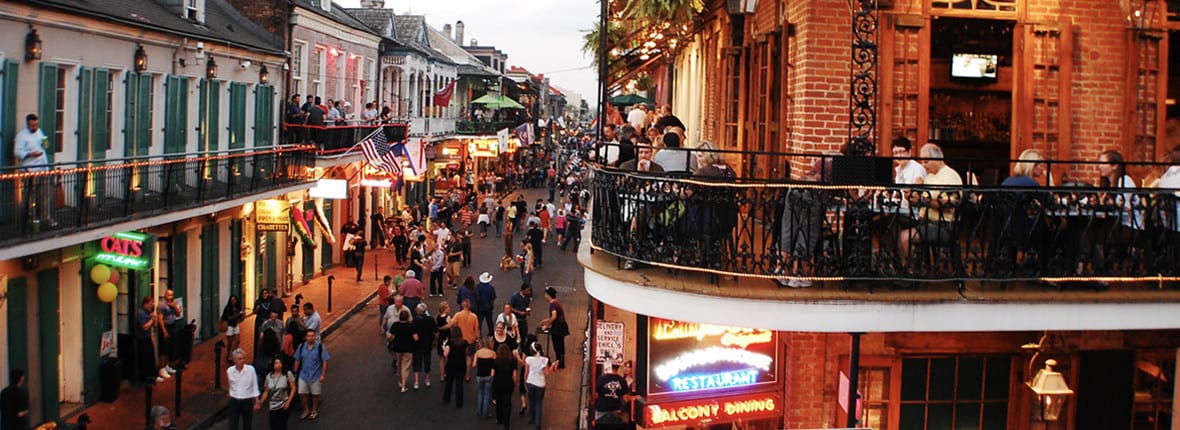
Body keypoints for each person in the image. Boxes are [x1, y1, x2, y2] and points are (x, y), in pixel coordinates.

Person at [899, 143, 963, 262]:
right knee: (890, 225)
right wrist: (912, 195)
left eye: (926, 161)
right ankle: (914, 264)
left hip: (942, 226)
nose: (923, 165)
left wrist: (922, 200)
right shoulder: (931, 176)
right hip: (925, 221)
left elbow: (947, 205)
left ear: (937, 158)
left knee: (904, 237)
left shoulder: (950, 176)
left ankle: (909, 272)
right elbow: (922, 199)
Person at [14, 113, 54, 227]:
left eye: (36, 125)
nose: (35, 128)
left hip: (43, 168)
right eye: (32, 126)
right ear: (27, 124)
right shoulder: (22, 136)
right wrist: (30, 154)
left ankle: (45, 218)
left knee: (45, 195)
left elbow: (45, 144)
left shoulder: (40, 132)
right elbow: (17, 152)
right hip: (30, 170)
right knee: (30, 196)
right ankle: (30, 219)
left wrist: (46, 144)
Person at [293, 330, 329, 420]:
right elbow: (297, 359)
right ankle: (306, 409)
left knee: (315, 394)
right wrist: (295, 371)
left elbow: (325, 361)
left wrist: (323, 375)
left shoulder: (320, 347)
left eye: (313, 336)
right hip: (303, 374)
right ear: (306, 337)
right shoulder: (301, 347)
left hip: (315, 374)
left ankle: (314, 410)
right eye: (309, 336)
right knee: (302, 393)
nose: (311, 338)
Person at [524, 340, 559, 429]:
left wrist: (525, 382)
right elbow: (547, 373)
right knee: (539, 403)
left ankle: (532, 418)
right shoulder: (544, 360)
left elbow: (526, 373)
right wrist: (553, 365)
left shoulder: (528, 359)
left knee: (531, 401)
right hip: (540, 384)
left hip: (530, 382)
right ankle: (538, 423)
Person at [225, 348, 261, 430]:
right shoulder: (230, 371)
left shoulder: (251, 370)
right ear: (234, 360)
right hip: (234, 400)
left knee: (247, 425)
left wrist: (257, 401)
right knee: (232, 425)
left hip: (247, 401)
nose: (242, 361)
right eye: (240, 359)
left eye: (243, 358)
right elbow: (231, 385)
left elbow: (255, 386)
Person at [259, 357, 296, 430]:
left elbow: (293, 388)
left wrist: (289, 401)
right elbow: (266, 391)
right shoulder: (269, 377)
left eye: (280, 363)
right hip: (273, 405)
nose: (278, 365)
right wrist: (261, 401)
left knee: (282, 425)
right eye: (276, 363)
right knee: (273, 425)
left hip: (283, 404)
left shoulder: (287, 374)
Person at [387, 309, 418, 393]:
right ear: (407, 318)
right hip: (408, 349)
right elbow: (416, 338)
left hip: (398, 349)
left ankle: (399, 381)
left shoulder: (395, 325)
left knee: (399, 365)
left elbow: (389, 336)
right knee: (405, 367)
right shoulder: (410, 326)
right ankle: (404, 385)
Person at [136, 296, 165, 383]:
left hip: (147, 337)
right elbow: (145, 326)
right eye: (150, 304)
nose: (151, 306)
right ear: (145, 303)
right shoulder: (140, 313)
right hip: (143, 339)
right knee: (146, 359)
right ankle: (148, 377)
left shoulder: (146, 312)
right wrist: (152, 319)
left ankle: (151, 376)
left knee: (150, 358)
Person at [539, 287, 569, 369]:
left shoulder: (553, 304)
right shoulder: (556, 303)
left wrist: (546, 325)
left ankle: (559, 363)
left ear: (549, 295)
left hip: (558, 327)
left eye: (546, 294)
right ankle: (561, 362)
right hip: (561, 326)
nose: (545, 296)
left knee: (557, 346)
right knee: (561, 345)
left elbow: (554, 316)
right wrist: (546, 320)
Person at [156, 289, 183, 378]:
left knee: (170, 348)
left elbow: (178, 314)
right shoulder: (162, 305)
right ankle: (161, 368)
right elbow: (160, 319)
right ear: (165, 296)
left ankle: (167, 366)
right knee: (164, 348)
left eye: (172, 295)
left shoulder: (173, 304)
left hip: (172, 326)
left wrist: (174, 306)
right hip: (165, 327)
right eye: (168, 295)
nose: (170, 297)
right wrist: (164, 331)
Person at [491, 344, 518, 429]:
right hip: (508, 384)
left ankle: (499, 418)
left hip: (497, 384)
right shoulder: (513, 361)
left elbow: (492, 374)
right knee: (507, 404)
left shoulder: (495, 361)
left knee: (498, 402)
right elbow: (514, 375)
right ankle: (506, 423)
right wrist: (515, 384)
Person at [441, 326, 468, 409]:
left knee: (449, 382)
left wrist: (443, 348)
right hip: (461, 364)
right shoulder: (464, 342)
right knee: (459, 384)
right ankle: (459, 403)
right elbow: (466, 353)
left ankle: (446, 398)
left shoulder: (449, 342)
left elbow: (445, 354)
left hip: (451, 364)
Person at [412, 303, 437, 390]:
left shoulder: (415, 320)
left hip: (417, 345)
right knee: (427, 361)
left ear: (419, 311)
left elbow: (414, 335)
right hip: (427, 344)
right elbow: (436, 331)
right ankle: (427, 379)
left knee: (417, 362)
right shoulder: (430, 319)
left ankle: (416, 381)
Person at [474, 337, 497, 419]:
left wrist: (479, 366)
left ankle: (479, 411)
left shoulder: (478, 353)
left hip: (480, 375)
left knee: (480, 393)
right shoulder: (492, 353)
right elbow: (495, 364)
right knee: (487, 394)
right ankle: (485, 413)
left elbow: (474, 365)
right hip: (488, 376)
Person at [220, 295, 244, 362]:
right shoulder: (228, 308)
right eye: (232, 300)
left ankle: (233, 354)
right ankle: (228, 354)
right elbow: (227, 317)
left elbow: (240, 316)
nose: (233, 301)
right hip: (229, 326)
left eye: (234, 300)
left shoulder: (237, 307)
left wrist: (241, 317)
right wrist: (237, 315)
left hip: (236, 325)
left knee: (237, 341)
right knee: (230, 342)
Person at [435, 301, 453, 381]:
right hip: (448, 338)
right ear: (444, 309)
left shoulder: (438, 317)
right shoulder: (448, 318)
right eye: (448, 307)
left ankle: (442, 375)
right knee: (450, 356)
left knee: (441, 358)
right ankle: (449, 372)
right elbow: (450, 326)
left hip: (441, 339)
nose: (450, 308)